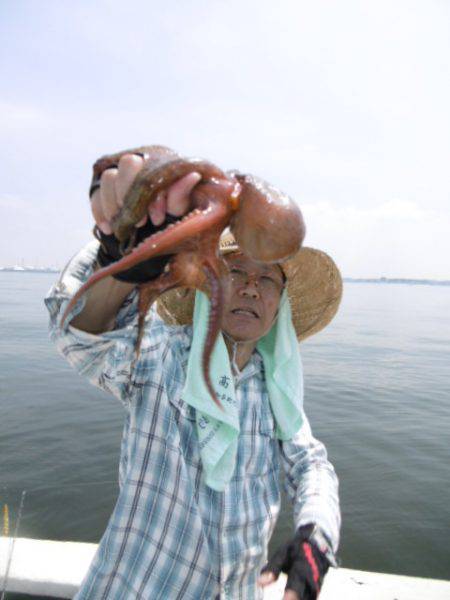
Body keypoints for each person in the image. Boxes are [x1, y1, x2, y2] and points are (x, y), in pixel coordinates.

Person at [45, 152, 343, 600]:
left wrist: (316, 536)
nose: (248, 287)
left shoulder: (276, 391)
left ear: (279, 304)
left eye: (267, 280)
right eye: (235, 270)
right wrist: (124, 262)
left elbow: (311, 464)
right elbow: (80, 339)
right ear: (208, 281)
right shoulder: (160, 357)